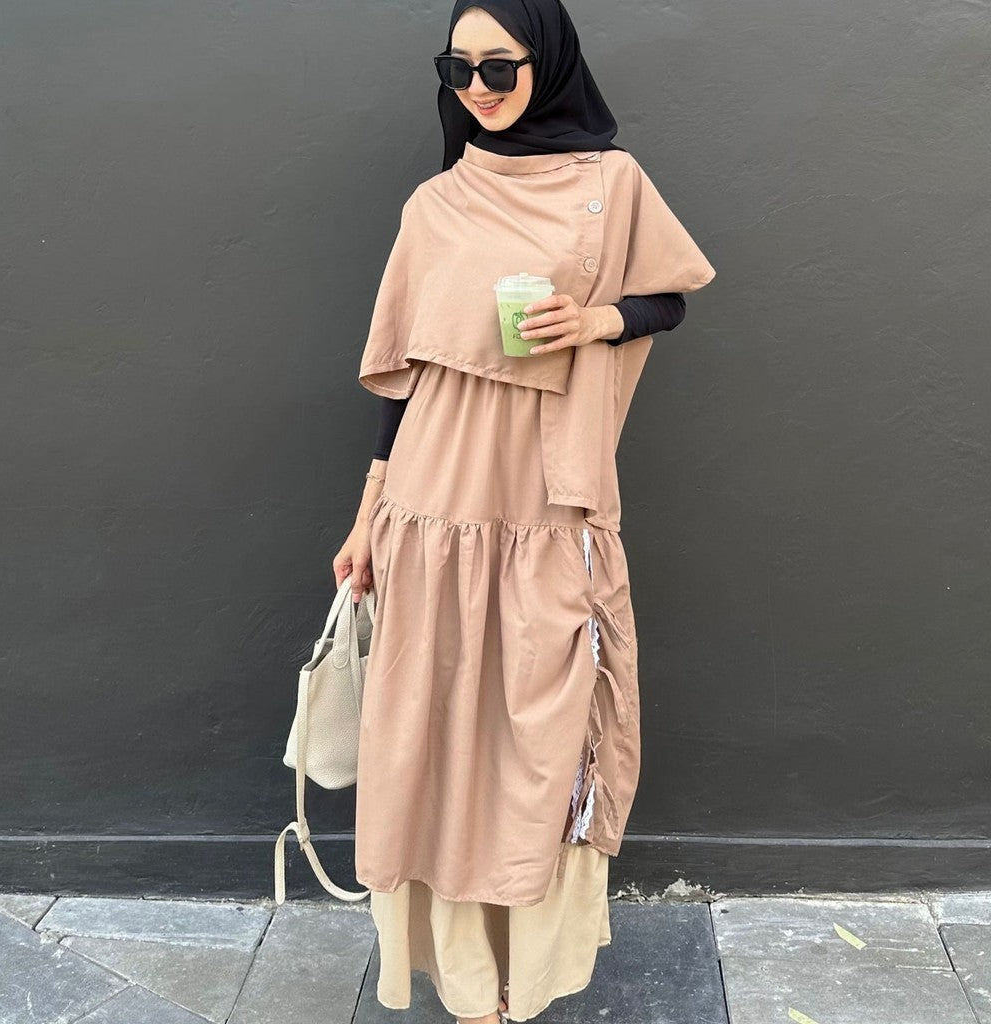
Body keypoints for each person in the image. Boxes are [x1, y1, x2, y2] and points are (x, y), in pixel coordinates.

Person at [332, 2, 716, 1021]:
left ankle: (527, 971)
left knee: (538, 726)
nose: (477, 88)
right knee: (435, 727)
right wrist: (368, 514)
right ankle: (468, 987)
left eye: (497, 66)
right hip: (432, 498)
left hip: (547, 495)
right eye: (456, 68)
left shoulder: (611, 183)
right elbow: (404, 379)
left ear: (546, 63)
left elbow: (670, 298)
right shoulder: (436, 203)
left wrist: (594, 319)